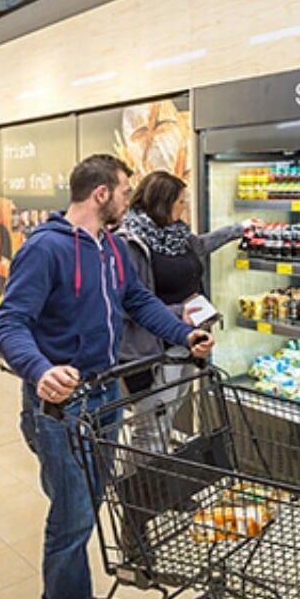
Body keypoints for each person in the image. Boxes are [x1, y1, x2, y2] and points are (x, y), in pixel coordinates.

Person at [0, 154, 214, 599]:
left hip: (103, 399)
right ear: (101, 195)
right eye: (123, 189)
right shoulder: (44, 249)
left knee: (88, 504)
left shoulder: (110, 248)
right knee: (72, 517)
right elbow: (9, 324)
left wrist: (183, 334)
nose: (127, 197)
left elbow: (138, 301)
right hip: (60, 407)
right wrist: (39, 369)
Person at [117, 170, 257, 422]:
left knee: (168, 414)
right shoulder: (131, 243)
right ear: (164, 202)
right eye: (181, 201)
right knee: (153, 424)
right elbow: (128, 304)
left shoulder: (175, 234)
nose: (184, 207)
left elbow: (201, 245)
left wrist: (239, 229)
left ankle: (160, 460)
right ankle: (146, 463)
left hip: (186, 339)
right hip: (156, 347)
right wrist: (177, 313)